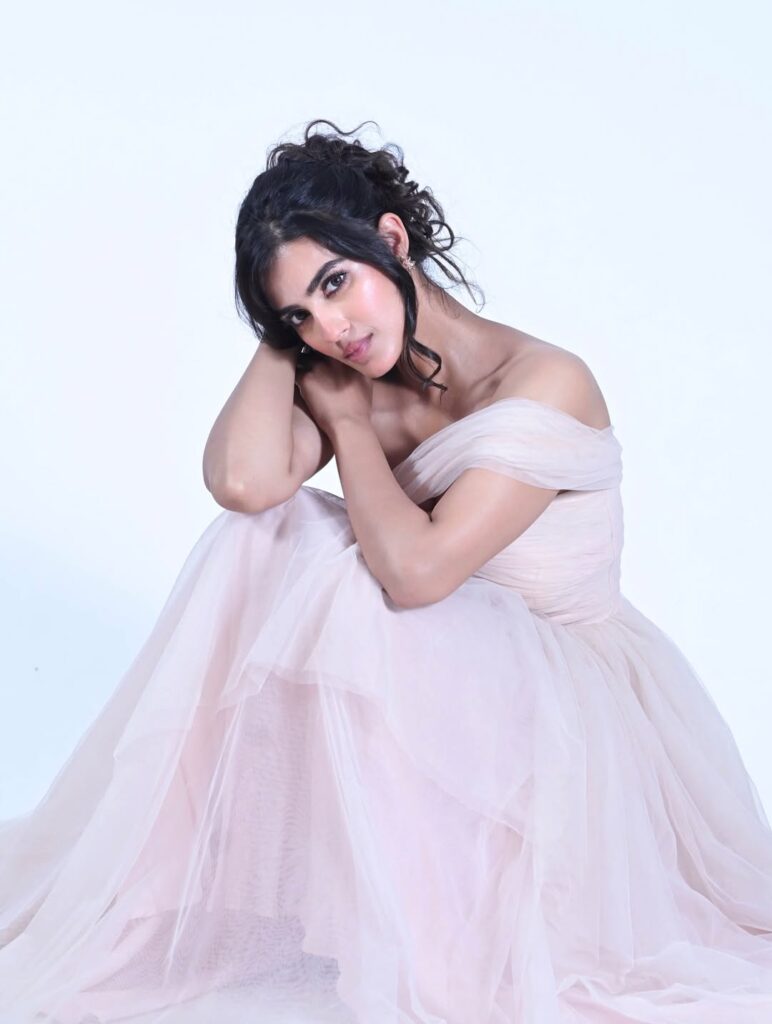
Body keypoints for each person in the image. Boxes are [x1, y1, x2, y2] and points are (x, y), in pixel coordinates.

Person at [1, 117, 772, 1024]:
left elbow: (417, 575)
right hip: (447, 687)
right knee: (267, 535)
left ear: (393, 241)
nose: (333, 329)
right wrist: (280, 336)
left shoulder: (545, 383)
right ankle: (170, 881)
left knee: (350, 573)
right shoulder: (340, 360)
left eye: (337, 282)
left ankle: (434, 923)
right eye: (301, 314)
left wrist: (349, 425)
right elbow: (244, 485)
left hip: (568, 727)